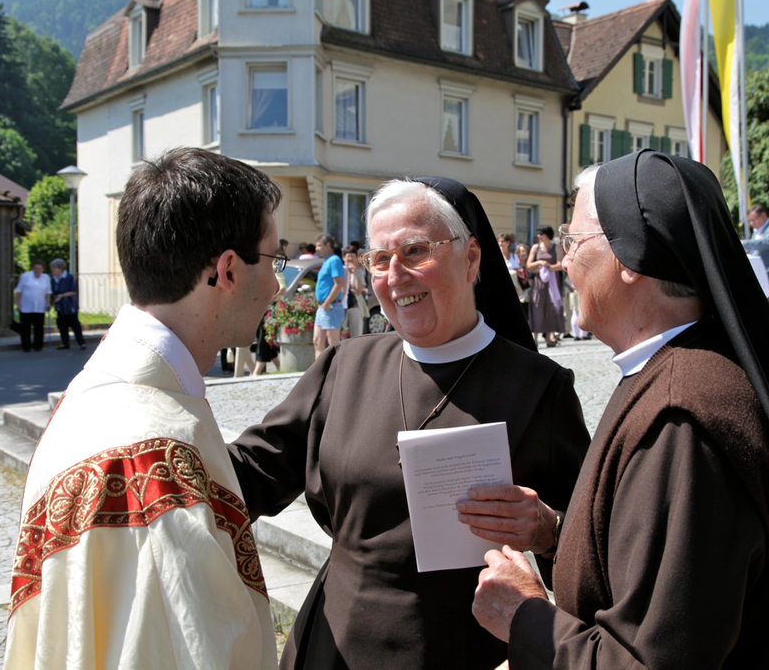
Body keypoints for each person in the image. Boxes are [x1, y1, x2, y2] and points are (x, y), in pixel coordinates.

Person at [471, 151, 769, 668]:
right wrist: (553, 534)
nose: (565, 262)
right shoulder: (685, 368)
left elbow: (649, 661)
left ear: (629, 258)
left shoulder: (681, 418)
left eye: (575, 241)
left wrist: (524, 615)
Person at [227, 176, 590, 670]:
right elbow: (249, 473)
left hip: (461, 653)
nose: (395, 275)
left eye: (415, 251)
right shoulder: (343, 366)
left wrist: (548, 530)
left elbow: (590, 543)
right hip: (334, 647)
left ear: (471, 258)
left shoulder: (539, 388)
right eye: (380, 259)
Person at [4, 148, 283, 670]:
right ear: (227, 270)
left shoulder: (98, 396)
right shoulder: (153, 458)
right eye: (273, 260)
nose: (277, 284)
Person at [527, 225, 564, 347]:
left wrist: (549, 267)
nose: (539, 236)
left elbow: (560, 264)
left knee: (550, 308)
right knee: (537, 307)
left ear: (548, 235)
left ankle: (549, 337)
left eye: (541, 233)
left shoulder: (556, 247)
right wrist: (539, 263)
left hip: (552, 283)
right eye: (538, 233)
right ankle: (534, 339)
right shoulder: (535, 247)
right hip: (538, 283)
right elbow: (528, 265)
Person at [312, 234, 347, 358]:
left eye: (319, 245)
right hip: (324, 307)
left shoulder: (334, 260)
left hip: (331, 307)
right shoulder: (327, 260)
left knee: (333, 344)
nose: (316, 249)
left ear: (328, 245)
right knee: (317, 341)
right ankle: (319, 370)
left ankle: (337, 369)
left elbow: (339, 283)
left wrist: (327, 302)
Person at [49, 258, 87, 350]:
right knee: (62, 325)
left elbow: (73, 291)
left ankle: (81, 342)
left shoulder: (69, 277)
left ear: (60, 269)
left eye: (54, 268)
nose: (52, 270)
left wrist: (62, 295)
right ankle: (65, 343)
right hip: (60, 306)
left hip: (70, 306)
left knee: (75, 325)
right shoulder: (53, 279)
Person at [14, 260, 51, 352]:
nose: (38, 270)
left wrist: (48, 303)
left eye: (40, 269)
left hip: (40, 307)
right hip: (26, 306)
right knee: (25, 328)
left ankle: (38, 346)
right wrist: (18, 304)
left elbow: (48, 292)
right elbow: (19, 291)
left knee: (39, 327)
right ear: (32, 269)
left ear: (43, 269)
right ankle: (26, 346)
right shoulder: (25, 276)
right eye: (36, 268)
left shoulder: (46, 277)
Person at [343, 244, 367, 338]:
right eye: (348, 256)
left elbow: (359, 290)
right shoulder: (340, 270)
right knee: (341, 332)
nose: (350, 259)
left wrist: (355, 273)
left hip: (355, 304)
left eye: (353, 257)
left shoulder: (359, 272)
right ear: (344, 257)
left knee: (356, 332)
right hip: (342, 304)